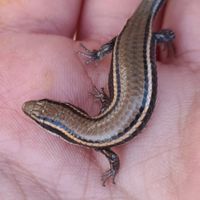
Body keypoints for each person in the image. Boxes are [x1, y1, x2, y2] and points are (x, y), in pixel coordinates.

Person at [0, 0, 199, 199]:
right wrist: (98, 61)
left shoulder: (100, 144)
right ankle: (165, 37)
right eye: (41, 118)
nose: (32, 108)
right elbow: (110, 131)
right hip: (129, 54)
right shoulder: (98, 135)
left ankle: (165, 37)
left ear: (72, 109)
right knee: (133, 39)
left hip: (132, 54)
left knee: (139, 38)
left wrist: (113, 171)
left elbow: (114, 159)